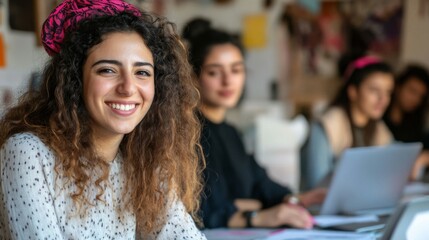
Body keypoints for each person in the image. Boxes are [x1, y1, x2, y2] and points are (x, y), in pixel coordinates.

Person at [0, 0, 205, 239]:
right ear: (75, 80)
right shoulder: (28, 152)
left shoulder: (142, 163)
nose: (128, 88)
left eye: (142, 73)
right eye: (108, 70)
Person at [183, 19, 326, 230]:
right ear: (194, 77)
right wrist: (257, 215)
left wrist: (298, 198)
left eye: (236, 70)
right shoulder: (186, 134)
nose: (228, 81)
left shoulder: (231, 132)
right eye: (214, 72)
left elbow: (258, 182)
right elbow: (201, 210)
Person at [301, 55, 395, 190]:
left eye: (388, 92)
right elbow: (317, 185)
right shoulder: (327, 125)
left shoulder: (379, 129)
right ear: (353, 92)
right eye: (374, 90)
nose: (383, 99)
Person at [383, 64, 429, 180]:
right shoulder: (379, 121)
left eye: (420, 96)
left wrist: (424, 158)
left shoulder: (416, 125)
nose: (415, 100)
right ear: (398, 87)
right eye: (412, 91)